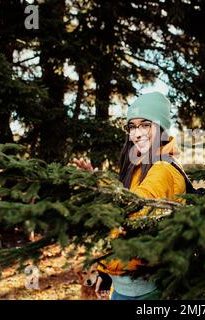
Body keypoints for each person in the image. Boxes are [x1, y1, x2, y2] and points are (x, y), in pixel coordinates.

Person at [74, 92, 186, 300]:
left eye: (145, 125)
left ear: (161, 128)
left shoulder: (162, 168)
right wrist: (107, 273)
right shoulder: (139, 166)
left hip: (146, 291)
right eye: (132, 127)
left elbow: (135, 211)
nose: (137, 133)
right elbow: (122, 228)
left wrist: (99, 187)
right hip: (125, 287)